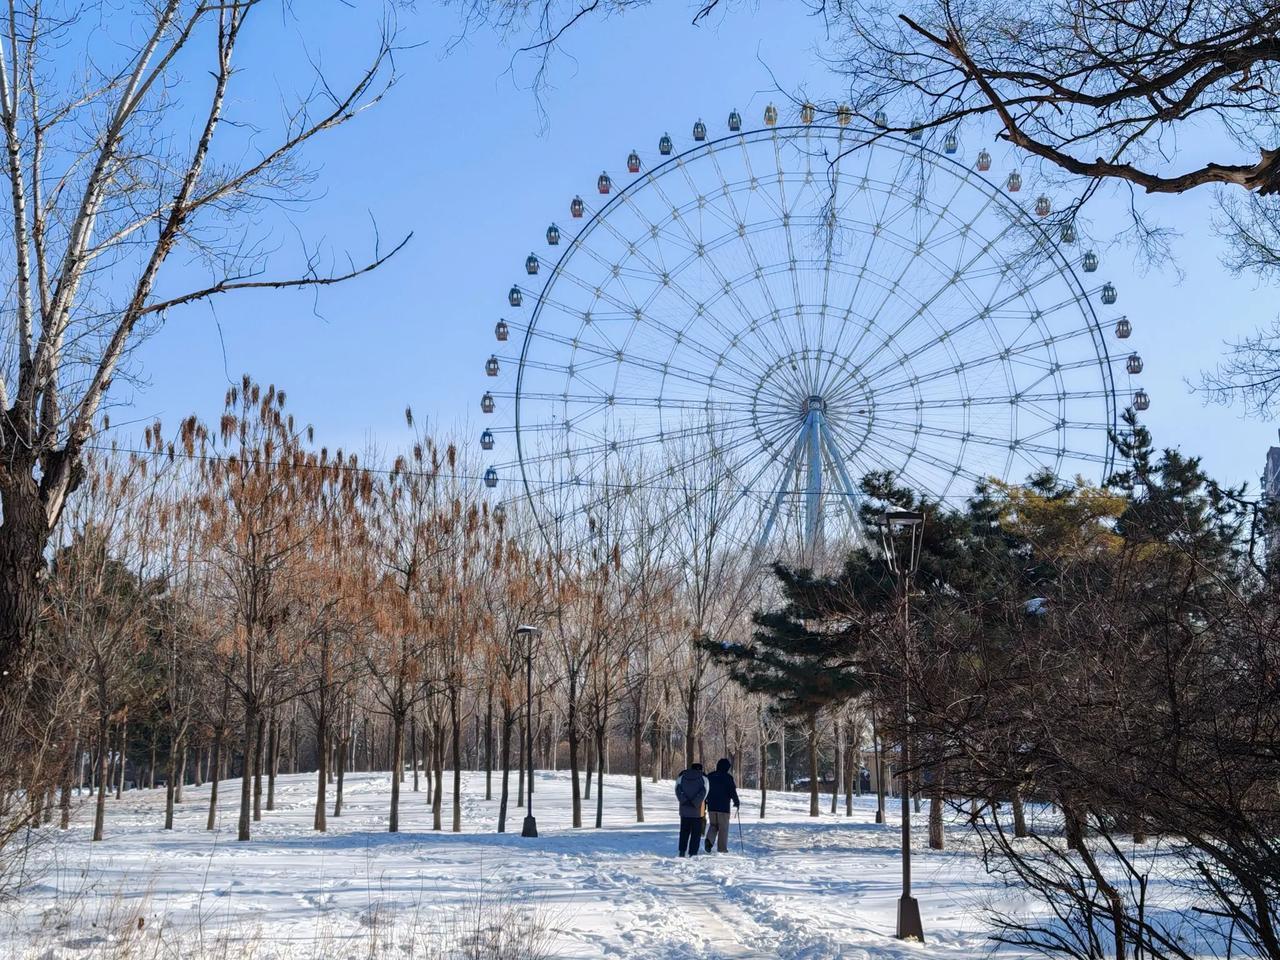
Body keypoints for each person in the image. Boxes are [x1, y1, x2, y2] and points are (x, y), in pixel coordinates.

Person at [704, 757, 741, 853]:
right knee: (723, 828)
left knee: (713, 825)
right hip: (723, 808)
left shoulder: (710, 776)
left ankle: (709, 840)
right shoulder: (728, 778)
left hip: (711, 806)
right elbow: (732, 791)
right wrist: (736, 802)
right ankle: (722, 849)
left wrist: (705, 802)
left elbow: (705, 790)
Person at [674, 763, 709, 857]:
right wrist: (695, 802)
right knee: (696, 833)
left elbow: (677, 790)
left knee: (684, 832)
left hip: (684, 810)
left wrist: (684, 801)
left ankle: (682, 851)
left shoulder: (681, 776)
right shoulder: (704, 778)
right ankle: (693, 852)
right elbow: (705, 792)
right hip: (698, 811)